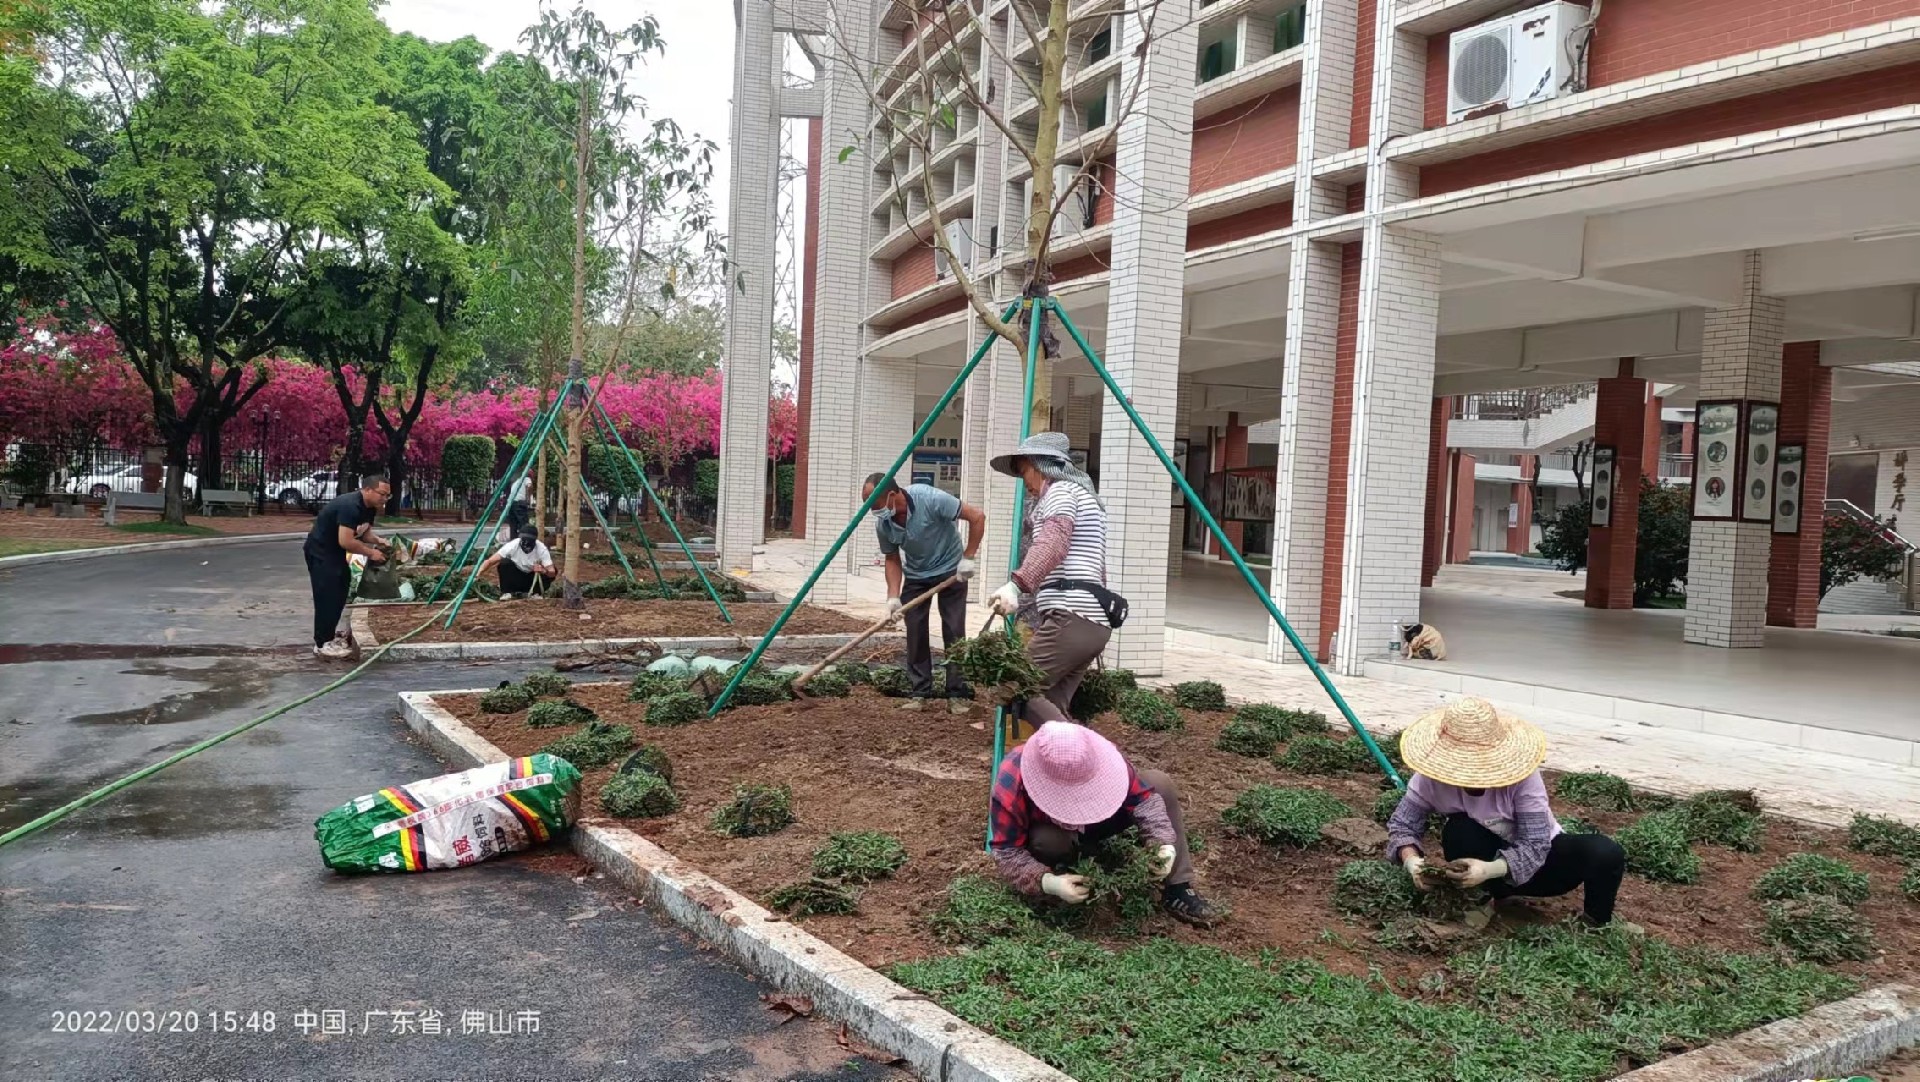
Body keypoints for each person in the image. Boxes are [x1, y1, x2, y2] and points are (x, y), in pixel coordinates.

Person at [1387, 697, 1636, 931]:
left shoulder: (1523, 778)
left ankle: (1597, 923)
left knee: (1605, 853)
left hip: (1542, 868)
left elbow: (1536, 844)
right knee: (1460, 827)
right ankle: (1480, 899)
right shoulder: (1431, 779)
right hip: (1477, 870)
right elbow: (1402, 826)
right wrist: (1412, 863)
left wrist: (1490, 869)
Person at [990, 721, 1220, 925]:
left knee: (1159, 783)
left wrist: (1163, 845)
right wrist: (1047, 882)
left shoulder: (1103, 757)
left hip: (1101, 822)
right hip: (1055, 834)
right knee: (1048, 841)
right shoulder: (1012, 779)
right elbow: (1007, 851)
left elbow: (1144, 800)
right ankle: (1067, 872)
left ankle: (1178, 888)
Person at [986, 432, 1123, 724]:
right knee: (1052, 712)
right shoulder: (1081, 496)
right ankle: (1076, 767)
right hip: (1087, 622)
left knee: (1015, 685)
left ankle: (1108, 764)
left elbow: (1053, 543)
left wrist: (1016, 585)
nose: (1025, 482)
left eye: (1024, 471)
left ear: (1040, 466)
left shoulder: (1061, 493)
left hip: (1072, 618)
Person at [864, 472, 986, 713]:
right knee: (915, 631)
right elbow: (892, 558)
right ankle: (920, 692)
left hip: (952, 570)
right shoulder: (884, 523)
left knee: (953, 629)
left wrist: (968, 557)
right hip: (917, 575)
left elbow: (977, 516)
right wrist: (892, 596)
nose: (872, 511)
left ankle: (957, 694)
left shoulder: (929, 498)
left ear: (891, 494)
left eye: (874, 505)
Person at [305, 474, 392, 659]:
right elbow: (346, 541)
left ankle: (328, 636)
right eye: (382, 494)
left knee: (341, 590)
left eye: (387, 496)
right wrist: (371, 553)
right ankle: (321, 643)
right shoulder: (350, 506)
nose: (384, 499)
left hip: (335, 553)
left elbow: (364, 533)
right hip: (320, 552)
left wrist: (379, 541)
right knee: (327, 595)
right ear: (367, 489)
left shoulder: (370, 507)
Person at [478, 524, 556, 598]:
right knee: (504, 563)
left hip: (531, 578)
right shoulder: (512, 545)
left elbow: (552, 572)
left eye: (530, 539)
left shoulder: (541, 549)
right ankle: (507, 592)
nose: (526, 542)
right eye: (524, 539)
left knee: (554, 570)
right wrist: (477, 575)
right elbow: (490, 561)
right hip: (517, 577)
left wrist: (543, 570)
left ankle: (535, 593)